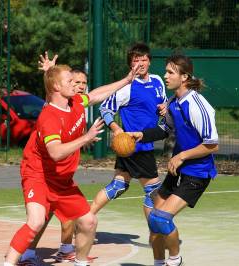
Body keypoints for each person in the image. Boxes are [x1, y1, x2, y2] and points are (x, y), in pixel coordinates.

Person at [4, 61, 138, 266]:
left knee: (88, 221)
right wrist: (87, 137)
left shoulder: (74, 103)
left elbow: (95, 95)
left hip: (62, 180)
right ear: (57, 86)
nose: (76, 85)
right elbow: (55, 152)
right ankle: (9, 263)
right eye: (69, 80)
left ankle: (80, 262)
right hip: (38, 175)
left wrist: (126, 80)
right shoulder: (49, 117)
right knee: (37, 220)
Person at [128, 54, 219, 266]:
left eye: (170, 72)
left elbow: (213, 144)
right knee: (153, 217)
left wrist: (181, 155)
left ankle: (175, 260)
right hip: (178, 170)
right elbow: (165, 128)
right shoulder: (174, 101)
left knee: (161, 218)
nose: (165, 76)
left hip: (197, 173)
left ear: (184, 76)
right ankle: (159, 263)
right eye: (166, 71)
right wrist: (141, 135)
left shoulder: (197, 105)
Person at [17, 57, 91, 265]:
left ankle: (57, 250)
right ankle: (32, 252)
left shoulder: (76, 104)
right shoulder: (53, 111)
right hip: (46, 171)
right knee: (50, 217)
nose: (80, 86)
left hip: (64, 171)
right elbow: (51, 91)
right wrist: (49, 72)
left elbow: (94, 96)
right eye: (75, 82)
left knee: (53, 215)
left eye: (83, 83)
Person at [90, 43, 166, 242]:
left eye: (143, 59)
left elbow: (160, 105)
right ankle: (155, 235)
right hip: (134, 146)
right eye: (135, 60)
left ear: (149, 61)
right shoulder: (127, 87)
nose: (140, 63)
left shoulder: (158, 81)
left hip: (145, 142)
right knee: (154, 191)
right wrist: (116, 129)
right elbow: (105, 109)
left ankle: (85, 218)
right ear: (130, 64)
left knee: (118, 185)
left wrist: (164, 108)